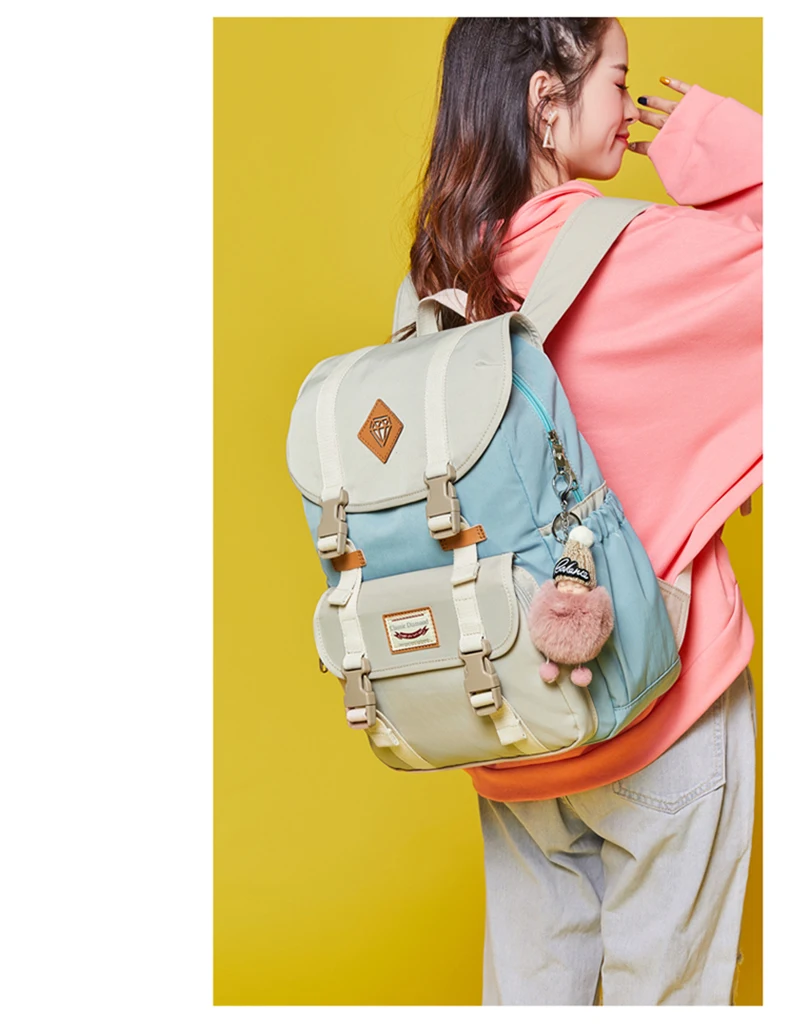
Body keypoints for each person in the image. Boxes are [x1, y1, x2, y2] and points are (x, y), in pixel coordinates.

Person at [391, 17, 761, 1006]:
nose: (631, 111)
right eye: (618, 83)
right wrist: (721, 143)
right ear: (546, 103)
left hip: (512, 714)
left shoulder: (436, 283)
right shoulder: (644, 254)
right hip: (662, 706)